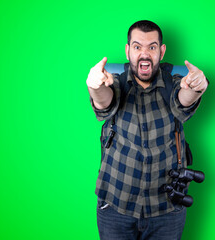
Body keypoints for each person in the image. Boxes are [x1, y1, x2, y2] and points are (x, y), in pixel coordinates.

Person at [87, 20, 208, 240]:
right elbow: (104, 104)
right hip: (115, 204)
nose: (144, 53)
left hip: (167, 209)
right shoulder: (114, 81)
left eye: (151, 47)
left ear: (161, 52)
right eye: (137, 47)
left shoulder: (174, 81)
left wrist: (195, 89)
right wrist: (95, 87)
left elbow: (183, 103)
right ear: (127, 50)